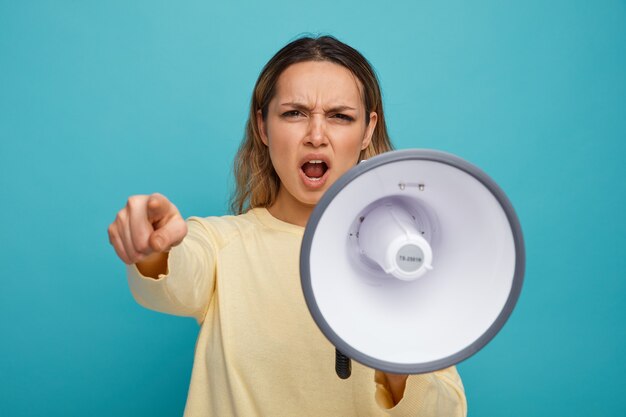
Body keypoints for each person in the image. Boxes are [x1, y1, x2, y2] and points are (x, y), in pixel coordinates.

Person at [108, 35, 467, 416]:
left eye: (340, 116)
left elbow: (443, 411)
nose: (316, 136)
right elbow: (176, 276)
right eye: (294, 113)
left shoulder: (406, 259)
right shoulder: (221, 244)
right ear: (263, 126)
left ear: (366, 131)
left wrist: (397, 351)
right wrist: (153, 247)